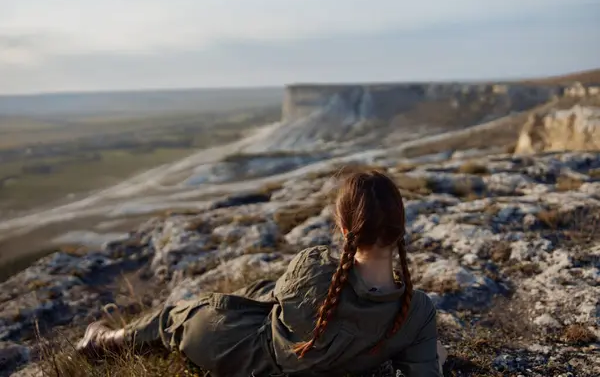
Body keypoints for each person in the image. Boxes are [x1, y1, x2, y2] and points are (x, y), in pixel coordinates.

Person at [77, 170, 447, 376]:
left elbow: (282, 303)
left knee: (177, 316)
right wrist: (432, 354)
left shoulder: (315, 267)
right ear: (401, 228)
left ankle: (106, 341)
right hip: (298, 351)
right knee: (259, 287)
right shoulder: (417, 312)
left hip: (247, 355)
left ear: (343, 226)